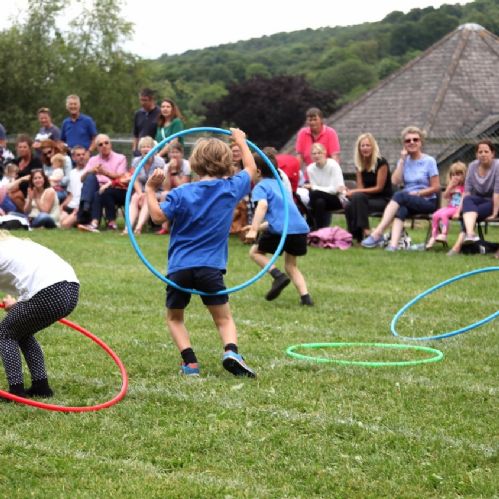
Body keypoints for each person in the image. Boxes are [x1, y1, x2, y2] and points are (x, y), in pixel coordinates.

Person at [145, 128, 257, 378]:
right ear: (226, 162)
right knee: (223, 319)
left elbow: (157, 217)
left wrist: (151, 190)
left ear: (195, 162)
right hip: (210, 268)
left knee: (175, 318)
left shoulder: (181, 192)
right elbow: (251, 169)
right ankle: (231, 352)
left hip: (179, 268)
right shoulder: (230, 189)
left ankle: (190, 363)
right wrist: (241, 140)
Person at [0, 230, 79, 397]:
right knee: (22, 332)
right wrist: (19, 303)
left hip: (49, 291)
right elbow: (33, 273)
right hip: (71, 289)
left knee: (5, 333)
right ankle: (41, 387)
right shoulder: (14, 245)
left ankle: (16, 391)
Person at [245, 148, 312, 305]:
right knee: (291, 265)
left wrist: (254, 230)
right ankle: (306, 298)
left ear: (258, 172)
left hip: (282, 230)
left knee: (255, 252)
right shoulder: (280, 185)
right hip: (299, 229)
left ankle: (278, 276)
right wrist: (256, 227)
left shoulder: (260, 187)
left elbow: (262, 205)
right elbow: (280, 218)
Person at [361, 126, 440, 251]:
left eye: (415, 139)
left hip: (427, 201)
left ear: (421, 142)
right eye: (408, 140)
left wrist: (418, 193)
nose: (412, 142)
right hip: (407, 200)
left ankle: (377, 233)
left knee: (400, 195)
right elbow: (395, 181)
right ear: (404, 144)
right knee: (401, 209)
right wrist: (402, 161)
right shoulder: (403, 161)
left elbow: (436, 187)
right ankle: (393, 246)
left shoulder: (429, 161)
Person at [447, 140, 499, 255]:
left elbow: (497, 192)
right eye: (480, 152)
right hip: (478, 200)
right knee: (468, 201)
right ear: (476, 154)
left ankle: (457, 246)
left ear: (492, 154)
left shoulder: (497, 166)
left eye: (486, 151)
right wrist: (458, 211)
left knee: (468, 215)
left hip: (495, 202)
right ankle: (470, 234)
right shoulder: (472, 166)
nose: (483, 154)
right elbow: (467, 192)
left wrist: (495, 213)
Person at [344, 133, 392, 242]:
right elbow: (360, 188)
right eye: (363, 146)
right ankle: (355, 237)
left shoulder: (381, 162)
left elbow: (379, 188)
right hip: (366, 199)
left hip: (383, 199)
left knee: (357, 197)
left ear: (373, 147)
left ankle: (366, 232)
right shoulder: (359, 164)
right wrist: (352, 193)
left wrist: (355, 191)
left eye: (368, 145)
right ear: (359, 148)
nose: (365, 148)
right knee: (349, 205)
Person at [77, 134, 127, 232]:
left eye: (106, 143)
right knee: (90, 177)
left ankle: (92, 221)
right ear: (97, 148)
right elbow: (82, 179)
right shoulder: (93, 160)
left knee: (100, 193)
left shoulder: (121, 158)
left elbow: (121, 177)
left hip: (116, 188)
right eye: (100, 144)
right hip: (97, 187)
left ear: (110, 144)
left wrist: (105, 173)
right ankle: (87, 207)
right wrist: (90, 171)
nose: (104, 146)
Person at [124, 136, 165, 235]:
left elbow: (159, 181)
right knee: (134, 198)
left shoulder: (160, 162)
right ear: (140, 149)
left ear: (153, 149)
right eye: (143, 147)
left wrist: (147, 192)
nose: (146, 149)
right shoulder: (136, 161)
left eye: (148, 146)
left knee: (147, 198)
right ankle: (127, 228)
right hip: (141, 190)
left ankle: (139, 227)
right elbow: (135, 180)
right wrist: (140, 194)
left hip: (156, 191)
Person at [302, 142, 346, 230]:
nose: (316, 155)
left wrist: (314, 187)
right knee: (319, 201)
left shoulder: (333, 165)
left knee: (314, 194)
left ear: (325, 153)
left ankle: (309, 225)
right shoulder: (310, 168)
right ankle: (319, 230)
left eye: (319, 153)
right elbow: (317, 191)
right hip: (320, 200)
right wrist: (315, 188)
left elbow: (335, 190)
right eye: (314, 153)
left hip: (337, 199)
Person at [426, 161, 466, 249]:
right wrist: (450, 186)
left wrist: (458, 212)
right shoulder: (452, 187)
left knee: (444, 215)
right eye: (453, 175)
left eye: (458, 174)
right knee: (435, 215)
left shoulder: (464, 187)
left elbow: (463, 200)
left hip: (458, 208)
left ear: (464, 175)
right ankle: (434, 236)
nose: (455, 177)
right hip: (450, 207)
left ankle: (444, 234)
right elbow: (445, 196)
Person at [60, 146, 86, 229]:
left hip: (82, 207)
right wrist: (61, 206)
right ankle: (75, 222)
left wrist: (80, 207)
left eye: (83, 154)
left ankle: (78, 221)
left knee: (64, 225)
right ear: (73, 158)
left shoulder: (89, 171)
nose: (81, 157)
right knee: (58, 222)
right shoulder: (72, 173)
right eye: (78, 155)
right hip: (71, 206)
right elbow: (70, 195)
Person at [132, 88, 160, 156]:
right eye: (141, 100)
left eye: (145, 100)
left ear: (151, 100)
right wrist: (134, 150)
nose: (143, 103)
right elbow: (135, 134)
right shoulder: (138, 114)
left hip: (154, 151)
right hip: (140, 152)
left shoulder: (160, 113)